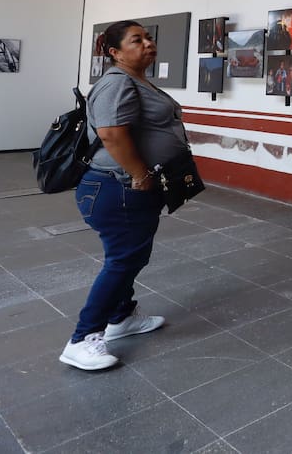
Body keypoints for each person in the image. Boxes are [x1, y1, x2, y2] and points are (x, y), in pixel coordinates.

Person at [59, 21, 188, 370]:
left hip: (126, 186)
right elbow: (112, 135)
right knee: (124, 260)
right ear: (114, 52)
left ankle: (123, 317)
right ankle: (83, 339)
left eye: (148, 37)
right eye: (137, 40)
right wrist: (140, 174)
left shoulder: (136, 80)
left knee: (128, 255)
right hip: (116, 186)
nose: (148, 43)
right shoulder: (117, 83)